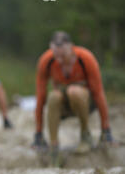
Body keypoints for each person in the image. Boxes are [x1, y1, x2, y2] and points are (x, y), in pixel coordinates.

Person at [33, 31, 115, 166]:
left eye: (63, 55)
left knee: (74, 91)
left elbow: (99, 93)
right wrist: (38, 133)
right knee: (53, 96)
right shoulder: (46, 61)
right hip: (63, 104)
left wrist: (105, 130)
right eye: (56, 55)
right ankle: (54, 148)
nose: (59, 59)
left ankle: (85, 135)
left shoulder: (85, 58)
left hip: (86, 102)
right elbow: (41, 97)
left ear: (71, 47)